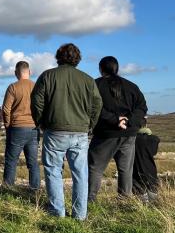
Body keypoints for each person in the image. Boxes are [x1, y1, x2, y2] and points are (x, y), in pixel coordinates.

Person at [31, 43, 102, 220]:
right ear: (77, 59)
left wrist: (41, 122)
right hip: (80, 132)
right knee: (80, 174)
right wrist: (89, 125)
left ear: (58, 57)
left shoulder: (47, 76)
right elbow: (97, 104)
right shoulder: (87, 80)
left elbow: (36, 102)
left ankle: (57, 212)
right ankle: (80, 215)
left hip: (54, 131)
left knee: (53, 171)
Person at [88, 56, 148, 201]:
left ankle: (90, 200)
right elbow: (142, 107)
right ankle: (125, 200)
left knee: (95, 167)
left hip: (106, 134)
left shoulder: (95, 85)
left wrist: (115, 120)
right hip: (129, 133)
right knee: (125, 169)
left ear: (101, 69)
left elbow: (93, 108)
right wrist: (129, 121)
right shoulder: (131, 86)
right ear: (117, 68)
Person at [2, 61, 40, 190]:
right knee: (33, 163)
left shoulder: (13, 87)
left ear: (15, 73)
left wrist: (8, 125)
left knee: (11, 162)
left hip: (17, 128)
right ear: (29, 72)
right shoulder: (37, 87)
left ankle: (8, 189)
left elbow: (6, 109)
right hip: (34, 128)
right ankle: (35, 190)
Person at [133, 118, 160, 202]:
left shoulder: (131, 140)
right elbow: (153, 152)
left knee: (140, 198)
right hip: (151, 170)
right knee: (153, 198)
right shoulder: (154, 139)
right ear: (146, 125)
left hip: (136, 171)